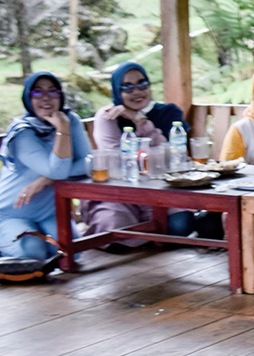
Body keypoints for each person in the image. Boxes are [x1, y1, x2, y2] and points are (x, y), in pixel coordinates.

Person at [82, 61, 194, 245]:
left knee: (181, 225)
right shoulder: (108, 116)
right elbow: (116, 160)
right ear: (117, 92)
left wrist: (141, 122)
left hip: (161, 190)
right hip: (121, 195)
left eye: (142, 84)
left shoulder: (168, 112)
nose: (137, 92)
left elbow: (170, 155)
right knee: (114, 228)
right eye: (127, 87)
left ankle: (151, 235)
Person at [0, 72, 90, 260]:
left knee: (71, 252)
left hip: (49, 211)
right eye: (37, 93)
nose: (46, 98)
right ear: (28, 98)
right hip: (7, 212)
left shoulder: (71, 120)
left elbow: (88, 163)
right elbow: (58, 170)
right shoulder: (22, 133)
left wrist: (46, 180)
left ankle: (27, 238)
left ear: (60, 96)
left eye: (52, 92)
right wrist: (62, 130)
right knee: (33, 252)